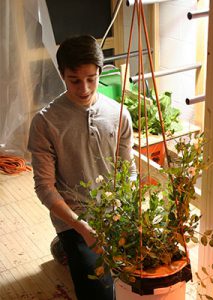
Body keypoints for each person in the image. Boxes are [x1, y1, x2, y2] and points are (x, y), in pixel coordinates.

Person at [28, 35, 136, 300]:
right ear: (63, 75)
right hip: (74, 217)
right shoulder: (45, 123)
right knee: (99, 290)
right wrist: (82, 228)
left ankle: (66, 248)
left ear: (100, 71)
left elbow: (129, 169)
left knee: (136, 274)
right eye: (75, 80)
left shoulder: (119, 114)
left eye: (91, 78)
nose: (85, 88)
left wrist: (128, 202)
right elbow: (44, 188)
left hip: (114, 212)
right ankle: (66, 243)